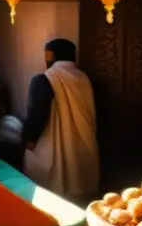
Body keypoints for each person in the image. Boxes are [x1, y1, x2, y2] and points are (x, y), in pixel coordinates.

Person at [22, 38, 100, 198]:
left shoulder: (44, 79)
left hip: (51, 150)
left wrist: (29, 140)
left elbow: (37, 114)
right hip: (85, 151)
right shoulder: (86, 79)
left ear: (50, 56)